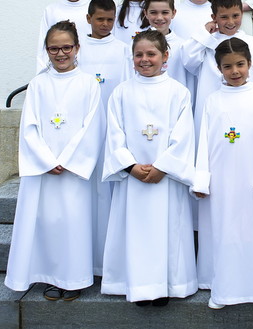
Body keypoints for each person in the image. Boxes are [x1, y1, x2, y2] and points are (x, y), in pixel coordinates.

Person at [5, 21, 105, 302]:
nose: (60, 53)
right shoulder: (38, 85)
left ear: (77, 48)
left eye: (66, 47)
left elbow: (93, 126)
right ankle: (48, 275)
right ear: (46, 50)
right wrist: (47, 160)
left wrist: (69, 160)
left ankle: (73, 279)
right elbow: (30, 127)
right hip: (44, 170)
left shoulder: (88, 83)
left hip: (74, 171)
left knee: (73, 221)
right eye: (54, 48)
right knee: (45, 221)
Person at [101, 30, 197, 306]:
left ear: (165, 56)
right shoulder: (121, 92)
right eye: (139, 55)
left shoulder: (178, 92)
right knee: (137, 232)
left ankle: (168, 284)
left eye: (151, 54)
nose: (145, 59)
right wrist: (130, 165)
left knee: (168, 231)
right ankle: (138, 283)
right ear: (131, 58)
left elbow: (184, 135)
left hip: (165, 180)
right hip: (134, 179)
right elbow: (114, 134)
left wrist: (163, 167)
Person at [193, 38, 253, 309]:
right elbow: (203, 140)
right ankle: (225, 290)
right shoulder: (212, 100)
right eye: (228, 66)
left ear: (250, 64)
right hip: (222, 179)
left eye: (240, 64)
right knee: (223, 232)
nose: (235, 71)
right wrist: (202, 178)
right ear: (219, 69)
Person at [77, 0, 132, 276]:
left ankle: (109, 260)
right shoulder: (78, 50)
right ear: (88, 18)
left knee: (109, 197)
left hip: (111, 131)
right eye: (100, 19)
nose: (106, 24)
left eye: (110, 19)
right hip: (84, 134)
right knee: (88, 198)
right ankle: (86, 257)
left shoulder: (122, 49)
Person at [181, 0, 253, 136]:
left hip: (245, 108)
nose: (231, 22)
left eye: (235, 16)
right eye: (224, 17)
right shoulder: (206, 42)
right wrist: (204, 33)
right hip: (213, 110)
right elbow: (188, 60)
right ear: (214, 17)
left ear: (242, 13)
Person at [35, 0, 92, 72]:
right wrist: (41, 73)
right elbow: (42, 46)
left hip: (87, 70)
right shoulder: (51, 11)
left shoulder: (92, 10)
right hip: (58, 72)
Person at [140, 0, 189, 88]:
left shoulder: (183, 46)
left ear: (173, 13)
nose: (159, 18)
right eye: (153, 12)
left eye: (165, 12)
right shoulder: (137, 44)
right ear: (146, 13)